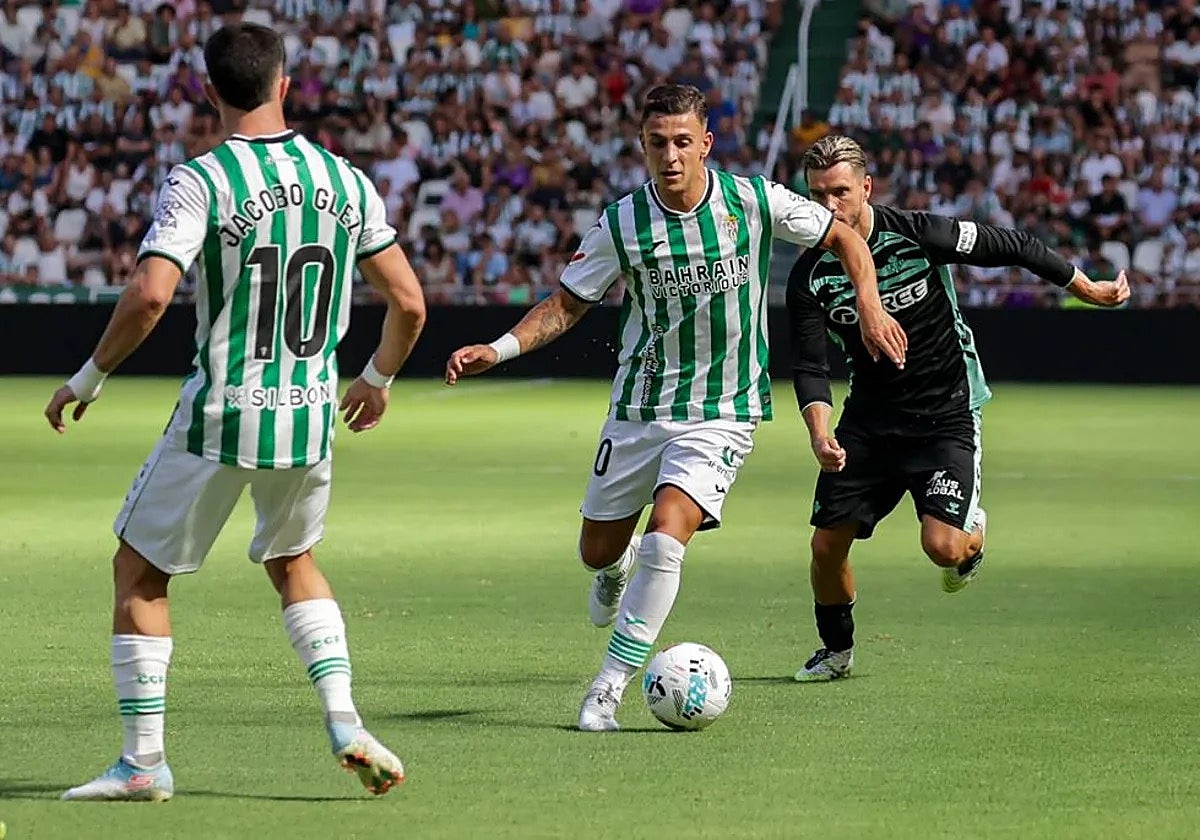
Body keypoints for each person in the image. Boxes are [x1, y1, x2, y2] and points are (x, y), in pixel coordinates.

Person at [444, 85, 907, 731]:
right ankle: (614, 568)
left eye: (683, 141)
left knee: (667, 534)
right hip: (639, 408)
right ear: (642, 146)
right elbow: (567, 304)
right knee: (598, 550)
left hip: (723, 410)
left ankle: (606, 688)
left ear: (705, 144)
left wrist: (869, 300)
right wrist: (498, 349)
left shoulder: (753, 201)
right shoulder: (621, 222)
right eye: (658, 142)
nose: (671, 155)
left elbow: (847, 240)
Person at [45, 23, 426, 801]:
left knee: (139, 572)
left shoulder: (202, 180)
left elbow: (153, 292)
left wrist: (89, 376)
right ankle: (345, 719)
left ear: (208, 91)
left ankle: (143, 763)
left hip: (223, 413)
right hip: (308, 418)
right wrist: (378, 376)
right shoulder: (346, 181)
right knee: (294, 563)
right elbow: (411, 303)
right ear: (286, 84)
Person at [787, 135, 1130, 682]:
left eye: (840, 193)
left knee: (945, 549)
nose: (829, 208)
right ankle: (837, 652)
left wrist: (1085, 287)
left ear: (867, 189)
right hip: (869, 423)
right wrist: (820, 432)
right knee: (826, 546)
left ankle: (972, 538)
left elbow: (1014, 244)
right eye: (816, 196)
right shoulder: (809, 275)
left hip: (945, 412)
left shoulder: (919, 233)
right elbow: (809, 365)